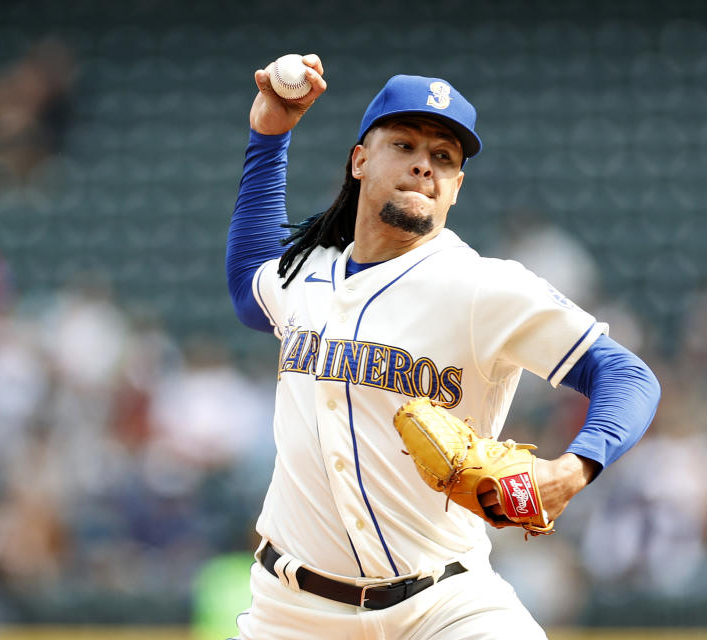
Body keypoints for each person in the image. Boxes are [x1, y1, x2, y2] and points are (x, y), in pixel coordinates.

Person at [225, 54, 660, 639]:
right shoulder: (307, 274)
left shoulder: (483, 287)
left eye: (443, 158)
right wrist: (270, 134)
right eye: (404, 145)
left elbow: (628, 377)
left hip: (444, 605)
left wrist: (573, 469)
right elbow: (250, 284)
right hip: (294, 611)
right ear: (360, 160)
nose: (423, 166)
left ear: (456, 186)